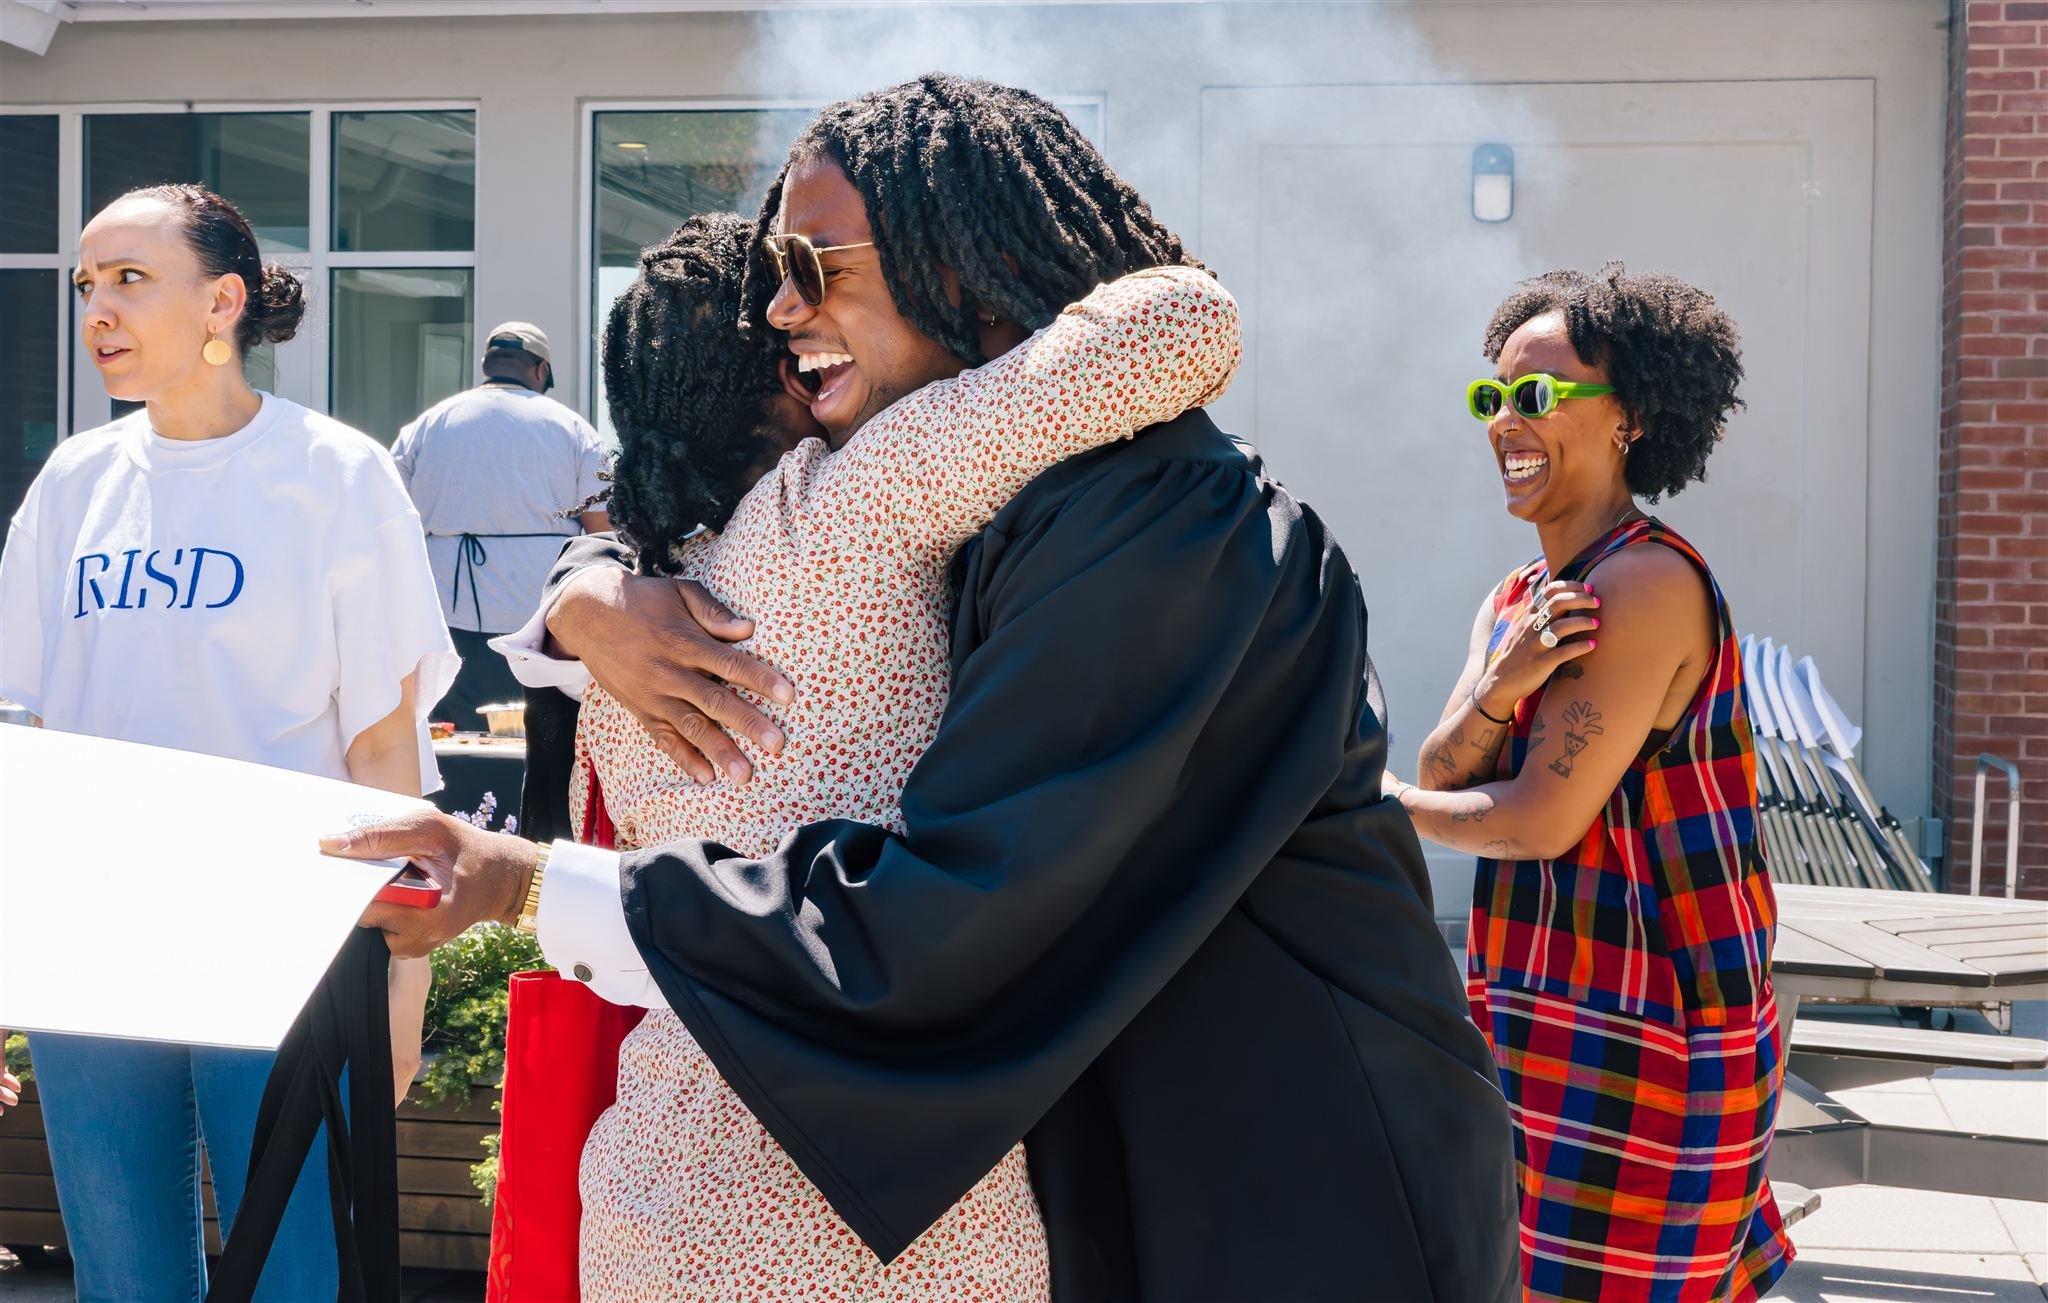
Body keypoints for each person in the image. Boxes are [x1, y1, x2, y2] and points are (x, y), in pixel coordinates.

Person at [339, 74, 1520, 1303]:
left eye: (815, 263)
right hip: (1145, 1168)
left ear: (961, 265)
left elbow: (952, 911)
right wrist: (590, 593)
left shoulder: (1160, 518)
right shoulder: (1005, 501)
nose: (784, 311)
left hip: (1290, 1181)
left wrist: (528, 886)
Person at [0, 184, 455, 1302]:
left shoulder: (335, 476)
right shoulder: (73, 483)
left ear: (224, 300)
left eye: (130, 279)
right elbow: (30, 736)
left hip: (285, 931)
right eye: (86, 285)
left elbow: (386, 747)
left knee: (301, 1274)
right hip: (94, 934)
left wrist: (404, 986)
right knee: (123, 1281)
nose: (99, 309)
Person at [1384, 265, 1792, 1302]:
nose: (1505, 422)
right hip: (1533, 1008)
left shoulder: (1645, 583)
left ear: (1631, 419)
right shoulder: (1518, 599)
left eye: (1538, 396)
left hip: (1652, 1030)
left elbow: (1532, 820)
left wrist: (1348, 802)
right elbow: (1446, 769)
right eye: (1492, 398)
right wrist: (1502, 682)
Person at [392, 321, 609, 729]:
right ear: (541, 370)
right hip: (540, 616)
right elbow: (601, 532)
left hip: (447, 612)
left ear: (487, 365)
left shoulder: (430, 423)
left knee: (452, 734)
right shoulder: (571, 427)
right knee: (537, 737)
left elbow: (391, 519)